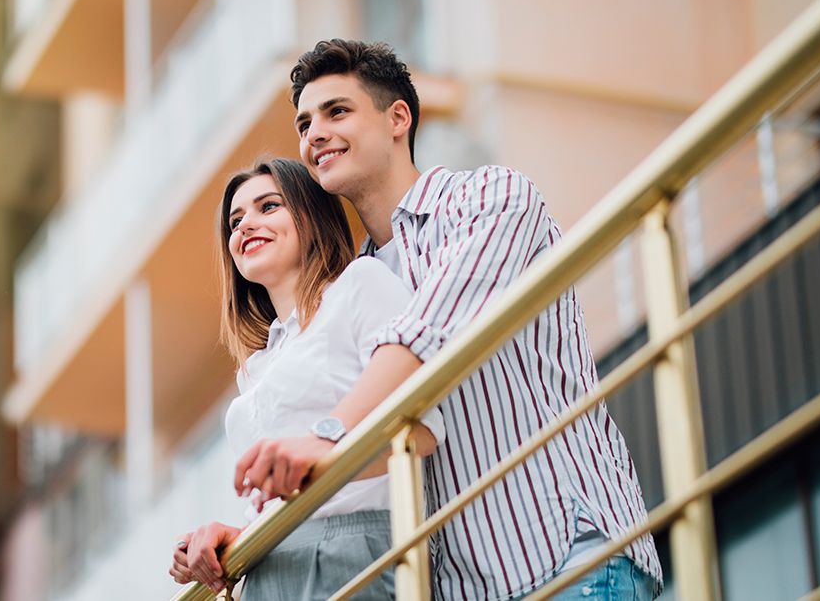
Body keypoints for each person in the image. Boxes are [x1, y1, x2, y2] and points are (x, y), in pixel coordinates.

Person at [231, 40, 662, 601]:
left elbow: (429, 332)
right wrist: (251, 535)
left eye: (337, 111)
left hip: (567, 556)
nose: (313, 133)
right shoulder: (356, 285)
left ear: (397, 118)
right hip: (460, 585)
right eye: (304, 122)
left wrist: (330, 438)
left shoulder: (489, 198)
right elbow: (376, 465)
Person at [169, 157, 446, 600]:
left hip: (352, 549)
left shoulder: (361, 283)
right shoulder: (255, 368)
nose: (244, 226)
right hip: (269, 563)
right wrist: (237, 535)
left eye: (269, 206)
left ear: (310, 216)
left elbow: (423, 430)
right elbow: (287, 492)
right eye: (235, 221)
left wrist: (320, 462)